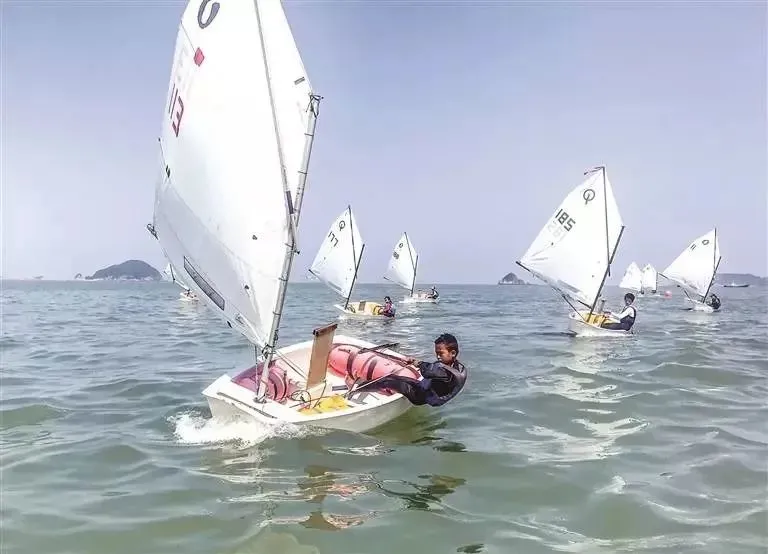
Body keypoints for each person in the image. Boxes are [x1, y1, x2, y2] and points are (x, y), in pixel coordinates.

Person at [354, 333, 467, 407]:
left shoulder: (446, 373)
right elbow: (433, 369)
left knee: (387, 380)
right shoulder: (458, 368)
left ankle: (356, 389)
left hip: (419, 396)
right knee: (394, 378)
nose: (437, 357)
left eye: (440, 353)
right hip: (426, 389)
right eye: (436, 353)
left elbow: (428, 372)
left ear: (453, 353)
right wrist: (415, 362)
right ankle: (364, 386)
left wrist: (418, 363)